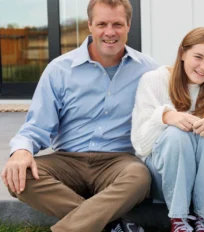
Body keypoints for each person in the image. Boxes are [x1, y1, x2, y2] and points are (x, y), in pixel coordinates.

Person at [0, 0, 157, 231]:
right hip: (67, 160)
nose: (110, 32)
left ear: (129, 25)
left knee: (140, 178)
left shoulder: (148, 70)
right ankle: (110, 224)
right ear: (90, 25)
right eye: (102, 24)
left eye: (117, 24)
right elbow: (36, 126)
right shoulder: (60, 69)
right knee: (20, 177)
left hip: (118, 162)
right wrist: (21, 151)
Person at [131, 27, 204, 232]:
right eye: (198, 57)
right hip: (164, 180)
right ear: (182, 53)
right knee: (177, 134)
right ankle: (178, 219)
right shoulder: (154, 80)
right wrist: (166, 117)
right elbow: (140, 143)